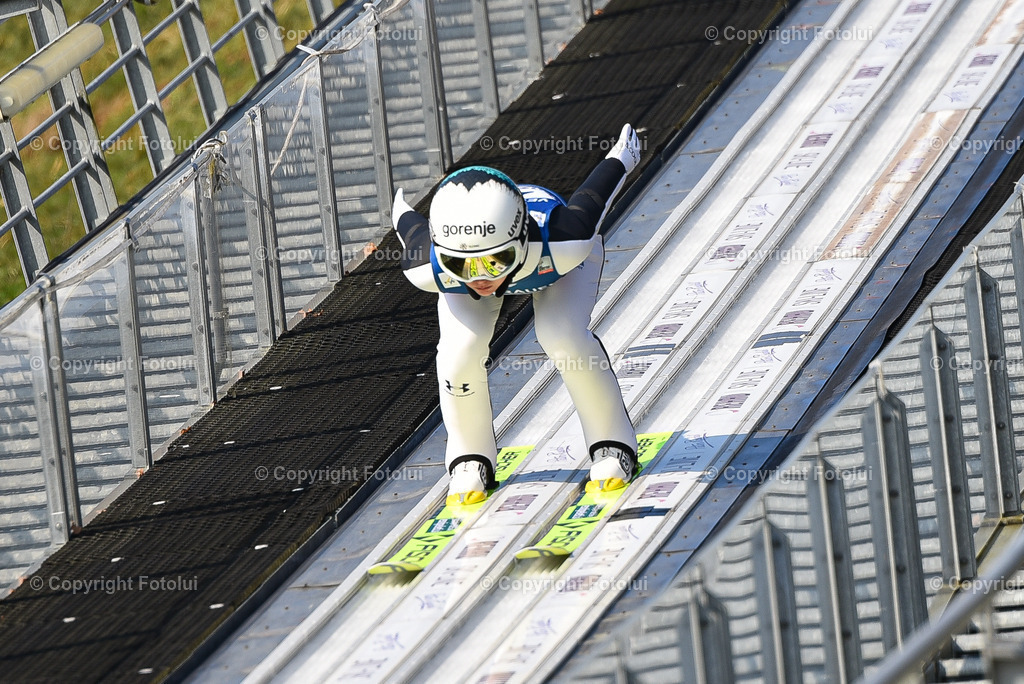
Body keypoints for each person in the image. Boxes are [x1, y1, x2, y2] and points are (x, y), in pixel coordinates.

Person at [394, 124, 642, 505]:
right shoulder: (426, 268)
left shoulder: (565, 241)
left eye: (496, 261)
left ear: (521, 243)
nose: (481, 279)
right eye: (462, 265)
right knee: (459, 351)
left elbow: (595, 195)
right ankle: (468, 457)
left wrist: (623, 155)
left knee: (563, 336)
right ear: (442, 256)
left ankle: (612, 444)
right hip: (534, 261)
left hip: (551, 265)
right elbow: (409, 227)